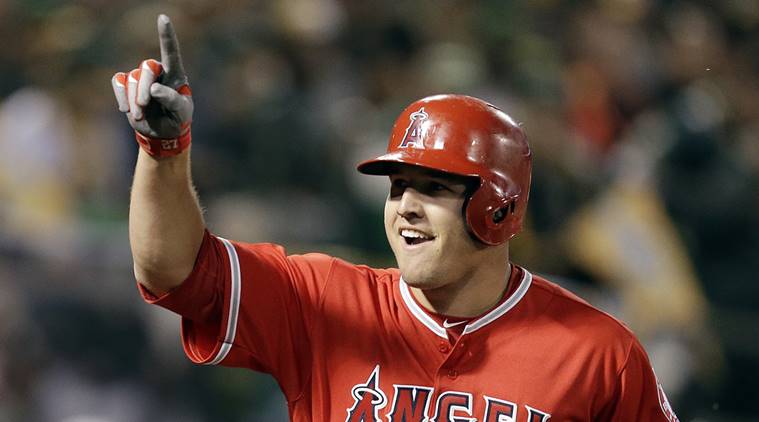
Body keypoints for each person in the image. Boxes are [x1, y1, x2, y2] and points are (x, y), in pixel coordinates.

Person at [112, 15, 680, 421]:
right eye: (398, 186)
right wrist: (163, 153)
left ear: (499, 207)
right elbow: (172, 272)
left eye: (433, 188)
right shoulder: (325, 302)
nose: (405, 204)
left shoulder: (596, 352)